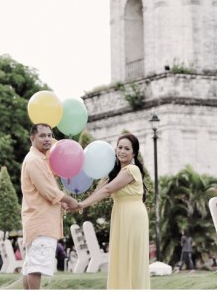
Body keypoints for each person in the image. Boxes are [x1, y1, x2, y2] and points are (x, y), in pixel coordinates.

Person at [76, 133, 150, 289]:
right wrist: (78, 201)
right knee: (121, 255)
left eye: (127, 149)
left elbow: (108, 190)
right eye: (120, 147)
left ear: (134, 153)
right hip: (120, 213)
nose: (122, 151)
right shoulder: (115, 172)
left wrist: (82, 204)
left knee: (131, 257)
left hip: (133, 214)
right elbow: (100, 189)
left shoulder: (132, 169)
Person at [20, 123, 80, 289]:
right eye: (42, 136)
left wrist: (61, 202)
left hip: (40, 220)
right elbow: (48, 191)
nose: (47, 139)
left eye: (49, 135)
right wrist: (68, 200)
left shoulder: (42, 159)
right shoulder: (34, 161)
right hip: (40, 221)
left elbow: (47, 191)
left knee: (31, 266)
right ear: (32, 138)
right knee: (35, 268)